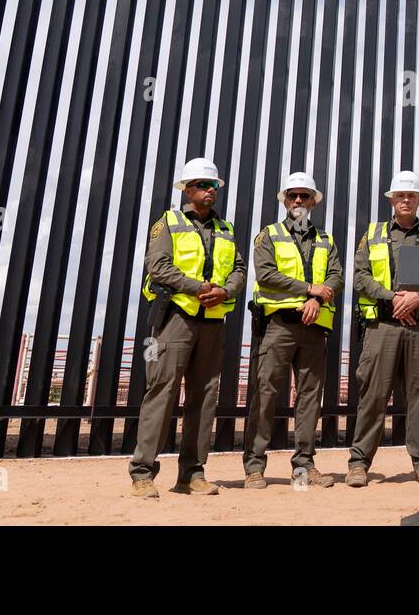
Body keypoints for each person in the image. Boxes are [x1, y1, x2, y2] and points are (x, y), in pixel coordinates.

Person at [130, 157, 246, 497]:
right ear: (187, 189)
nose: (208, 191)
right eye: (200, 185)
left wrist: (226, 290)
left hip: (212, 321)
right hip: (176, 319)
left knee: (205, 396)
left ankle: (192, 474)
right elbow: (157, 265)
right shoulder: (169, 222)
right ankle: (142, 473)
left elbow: (238, 268)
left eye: (212, 186)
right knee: (161, 391)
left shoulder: (226, 229)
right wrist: (197, 287)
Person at [242, 172, 344, 489]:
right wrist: (309, 289)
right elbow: (266, 275)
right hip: (278, 326)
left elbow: (337, 277)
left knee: (310, 399)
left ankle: (303, 468)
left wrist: (316, 297)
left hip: (313, 328)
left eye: (304, 196)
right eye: (292, 196)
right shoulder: (269, 235)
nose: (298, 201)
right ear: (285, 200)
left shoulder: (326, 239)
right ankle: (255, 468)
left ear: (313, 200)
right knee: (264, 396)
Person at [346, 171, 419, 488]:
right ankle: (359, 463)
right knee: (372, 395)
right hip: (382, 325)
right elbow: (359, 276)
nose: (405, 200)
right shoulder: (372, 234)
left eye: (411, 196)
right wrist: (392, 298)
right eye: (400, 196)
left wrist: (418, 297)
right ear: (391, 200)